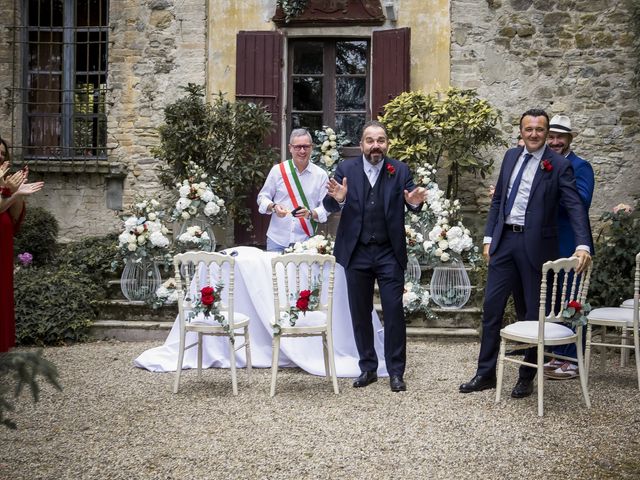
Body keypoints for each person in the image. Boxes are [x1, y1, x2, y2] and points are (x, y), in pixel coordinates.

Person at [459, 109, 593, 398]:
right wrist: (488, 238)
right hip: (505, 242)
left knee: (532, 314)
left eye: (539, 130)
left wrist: (583, 244)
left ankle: (526, 376)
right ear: (521, 131)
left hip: (537, 248)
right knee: (492, 309)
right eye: (529, 129)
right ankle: (485, 374)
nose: (534, 134)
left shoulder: (557, 165)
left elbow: (574, 206)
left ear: (546, 133)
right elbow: (498, 201)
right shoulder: (510, 157)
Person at [323, 120, 427, 392]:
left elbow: (412, 199)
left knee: (394, 312)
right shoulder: (347, 169)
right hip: (356, 252)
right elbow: (328, 203)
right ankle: (368, 367)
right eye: (370, 140)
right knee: (360, 312)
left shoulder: (399, 170)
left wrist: (415, 203)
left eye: (380, 140)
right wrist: (341, 199)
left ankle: (395, 371)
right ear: (361, 145)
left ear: (387, 144)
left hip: (388, 252)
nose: (375, 145)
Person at [543, 114, 595, 380]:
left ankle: (573, 359)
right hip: (549, 245)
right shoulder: (545, 165)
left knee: (573, 302)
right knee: (553, 302)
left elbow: (582, 201)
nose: (554, 142)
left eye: (560, 137)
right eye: (551, 137)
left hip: (574, 245)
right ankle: (556, 356)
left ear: (569, 139)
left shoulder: (581, 166)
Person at [1, 138, 45, 352]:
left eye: (2, 152)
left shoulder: (6, 181)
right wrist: (13, 193)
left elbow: (15, 217)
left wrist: (16, 192)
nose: (0, 156)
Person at [257, 129, 329, 252]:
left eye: (306, 147)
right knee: (275, 272)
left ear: (311, 148)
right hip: (277, 239)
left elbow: (326, 208)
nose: (302, 151)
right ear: (290, 148)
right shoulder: (278, 171)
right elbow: (262, 198)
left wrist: (310, 214)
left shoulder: (321, 175)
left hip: (306, 242)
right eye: (298, 147)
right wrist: (274, 207)